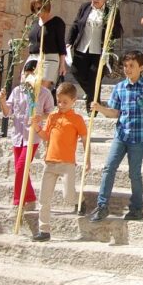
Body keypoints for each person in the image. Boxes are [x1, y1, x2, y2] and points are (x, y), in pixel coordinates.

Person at [90, 51, 143, 222]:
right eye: (125, 66)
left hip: (139, 137)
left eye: (131, 66)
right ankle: (102, 205)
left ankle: (136, 208)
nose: (127, 69)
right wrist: (100, 108)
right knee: (108, 167)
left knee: (134, 173)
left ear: (141, 67)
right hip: (121, 135)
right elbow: (114, 113)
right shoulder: (119, 87)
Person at [30, 82, 90, 241]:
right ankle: (44, 230)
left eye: (65, 102)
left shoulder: (77, 119)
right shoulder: (52, 116)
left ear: (73, 101)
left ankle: (79, 200)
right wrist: (37, 127)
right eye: (59, 101)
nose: (61, 105)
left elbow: (85, 139)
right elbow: (46, 137)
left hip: (67, 164)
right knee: (44, 198)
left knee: (68, 196)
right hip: (50, 162)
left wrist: (87, 159)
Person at [0, 61, 55, 209]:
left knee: (20, 168)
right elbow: (7, 112)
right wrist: (2, 100)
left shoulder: (44, 93)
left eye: (32, 74)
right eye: (26, 73)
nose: (28, 77)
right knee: (21, 169)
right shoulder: (17, 91)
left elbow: (51, 114)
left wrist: (39, 117)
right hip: (18, 135)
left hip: (32, 136)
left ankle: (18, 201)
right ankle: (29, 198)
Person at [68, 0, 123, 108]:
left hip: (100, 52)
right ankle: (91, 95)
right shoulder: (85, 7)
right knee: (76, 72)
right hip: (82, 48)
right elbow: (76, 25)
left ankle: (92, 108)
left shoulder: (112, 11)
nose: (94, 0)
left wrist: (112, 24)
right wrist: (69, 42)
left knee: (94, 78)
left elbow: (117, 33)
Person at [26, 0, 67, 91]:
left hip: (49, 59)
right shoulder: (34, 23)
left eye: (39, 8)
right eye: (34, 9)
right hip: (33, 58)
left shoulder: (57, 22)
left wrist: (62, 64)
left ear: (46, 6)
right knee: (27, 87)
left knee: (41, 89)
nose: (37, 11)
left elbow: (61, 44)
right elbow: (33, 41)